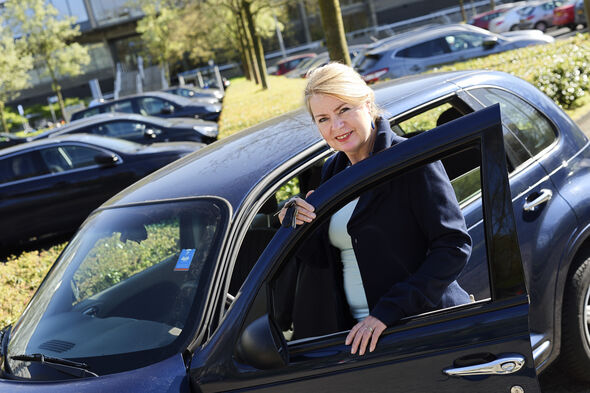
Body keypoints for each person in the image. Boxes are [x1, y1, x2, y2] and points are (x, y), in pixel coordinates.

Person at [278, 62, 472, 357]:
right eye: (323, 119)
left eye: (344, 110)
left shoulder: (412, 161)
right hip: (358, 338)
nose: (336, 126)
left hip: (420, 330)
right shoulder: (333, 172)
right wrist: (295, 219)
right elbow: (323, 259)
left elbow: (454, 246)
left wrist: (387, 312)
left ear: (367, 103)